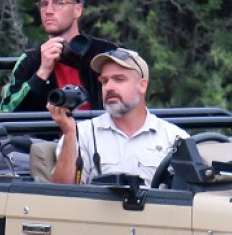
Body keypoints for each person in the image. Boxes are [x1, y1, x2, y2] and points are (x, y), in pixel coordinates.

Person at [49, 48, 187, 185]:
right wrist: (69, 133)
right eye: (104, 81)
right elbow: (62, 194)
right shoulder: (81, 134)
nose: (109, 87)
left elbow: (190, 195)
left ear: (142, 86)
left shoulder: (174, 138)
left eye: (119, 79)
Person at [0, 0, 118, 113]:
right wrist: (42, 72)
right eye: (44, 4)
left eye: (58, 3)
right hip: (44, 135)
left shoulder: (104, 53)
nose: (48, 11)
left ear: (77, 10)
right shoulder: (30, 61)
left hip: (97, 134)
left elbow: (127, 102)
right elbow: (7, 113)